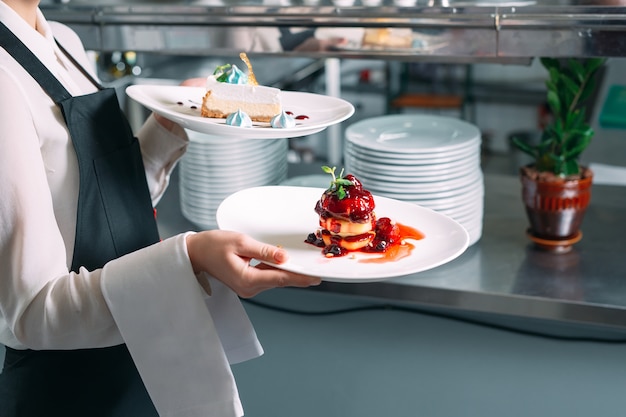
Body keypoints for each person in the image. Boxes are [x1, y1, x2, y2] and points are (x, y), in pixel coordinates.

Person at [0, 1, 321, 416]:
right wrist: (188, 257)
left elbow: (98, 213)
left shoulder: (64, 41)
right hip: (65, 389)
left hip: (142, 359)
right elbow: (32, 311)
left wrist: (171, 124)